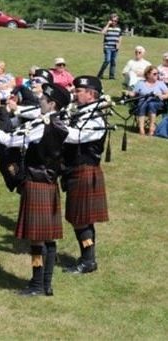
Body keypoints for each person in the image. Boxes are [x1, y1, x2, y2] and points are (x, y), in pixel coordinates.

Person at [0, 83, 69, 297]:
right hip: (48, 185)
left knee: (37, 240)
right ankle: (46, 284)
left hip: (36, 183)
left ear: (52, 103)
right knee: (48, 238)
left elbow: (12, 141)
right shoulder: (57, 123)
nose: (39, 100)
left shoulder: (45, 126)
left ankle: (37, 284)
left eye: (43, 99)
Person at [62, 76, 110, 275]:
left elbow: (76, 137)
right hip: (75, 170)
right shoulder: (79, 113)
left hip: (85, 170)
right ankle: (87, 257)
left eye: (79, 90)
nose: (75, 93)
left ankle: (88, 260)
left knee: (81, 218)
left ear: (91, 94)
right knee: (79, 217)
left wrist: (54, 127)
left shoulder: (96, 119)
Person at [127, 66, 168, 135]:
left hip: (157, 103)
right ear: (148, 74)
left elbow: (167, 94)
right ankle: (141, 129)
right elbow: (133, 94)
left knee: (151, 104)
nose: (157, 75)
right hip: (142, 103)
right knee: (142, 104)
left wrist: (161, 96)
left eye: (158, 73)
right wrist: (127, 93)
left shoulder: (160, 83)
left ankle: (151, 129)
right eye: (154, 74)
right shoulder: (140, 83)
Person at [97, 13, 122, 80]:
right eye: (113, 20)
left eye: (116, 21)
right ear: (110, 20)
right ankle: (100, 74)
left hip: (115, 48)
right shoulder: (108, 27)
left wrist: (118, 45)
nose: (114, 22)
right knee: (107, 60)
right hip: (107, 47)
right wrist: (108, 24)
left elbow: (120, 37)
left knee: (113, 62)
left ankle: (111, 76)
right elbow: (102, 32)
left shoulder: (119, 28)